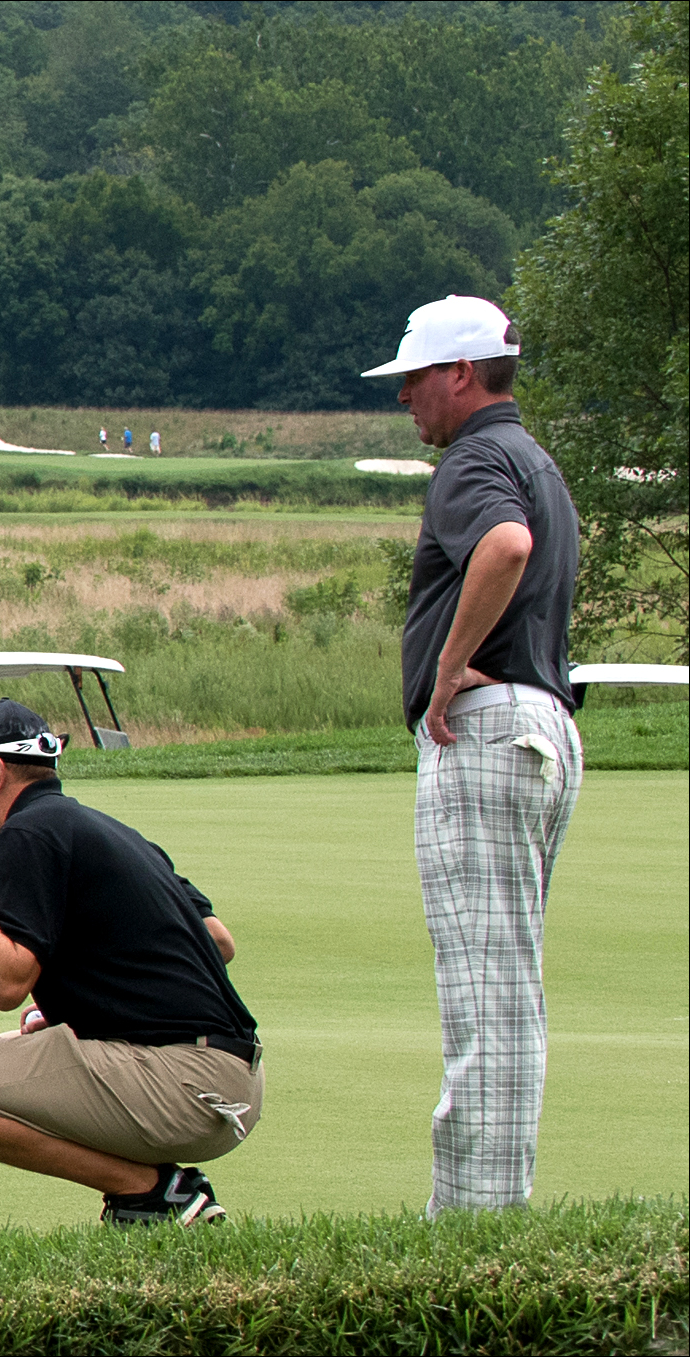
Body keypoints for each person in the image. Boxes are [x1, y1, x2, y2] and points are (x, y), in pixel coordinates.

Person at [366, 294, 586, 1213]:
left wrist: (450, 668)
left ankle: (476, 1227)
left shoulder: (474, 460)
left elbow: (504, 545)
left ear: (461, 373)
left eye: (416, 378)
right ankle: (491, 1209)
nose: (406, 398)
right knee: (508, 987)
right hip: (542, 726)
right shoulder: (535, 459)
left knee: (485, 993)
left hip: (489, 727)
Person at [0, 699, 260, 1226]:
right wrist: (93, 1009)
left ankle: (155, 1193)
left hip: (188, 1089)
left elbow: (4, 982)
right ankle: (156, 1193)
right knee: (11, 1049)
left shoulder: (26, 835)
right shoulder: (108, 831)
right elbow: (217, 941)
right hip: (235, 1081)